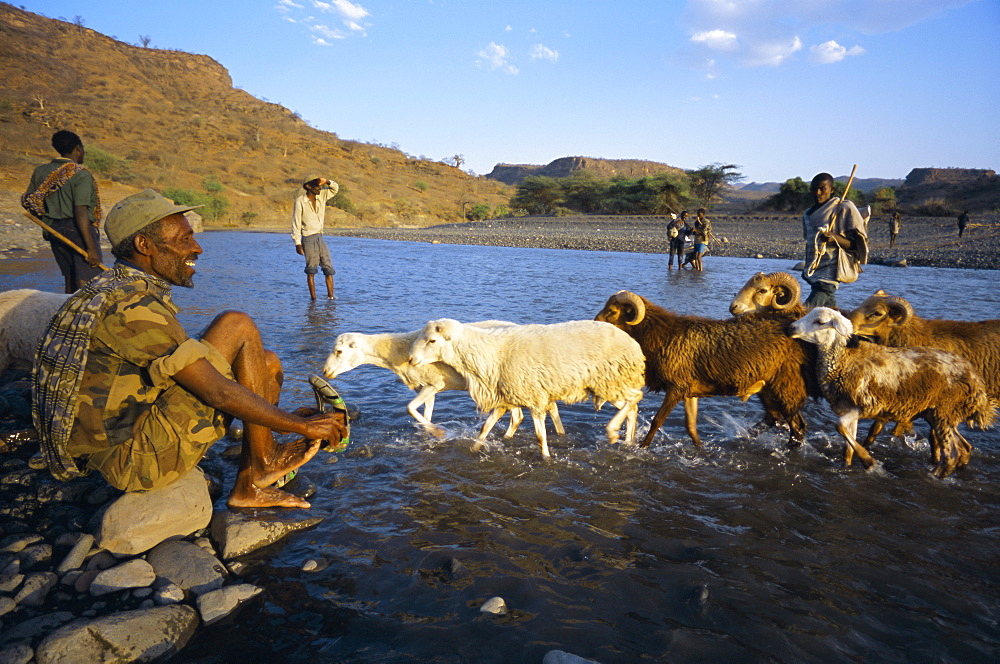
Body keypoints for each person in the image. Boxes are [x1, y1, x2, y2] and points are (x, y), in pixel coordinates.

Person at [33, 189, 348, 509]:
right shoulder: (131, 305)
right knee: (236, 324)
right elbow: (218, 394)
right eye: (183, 239)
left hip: (127, 433)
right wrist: (301, 425)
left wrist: (274, 418)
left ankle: (252, 477)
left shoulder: (118, 287)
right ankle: (261, 467)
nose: (196, 248)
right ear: (144, 245)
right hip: (133, 461)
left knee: (264, 363)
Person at [23, 130, 104, 293]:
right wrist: (91, 248)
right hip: (79, 231)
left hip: (53, 230)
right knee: (88, 281)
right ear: (78, 149)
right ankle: (84, 317)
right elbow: (80, 210)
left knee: (70, 278)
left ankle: (67, 316)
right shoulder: (81, 174)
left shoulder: (40, 171)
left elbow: (30, 201)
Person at [801, 172, 868, 309]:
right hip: (814, 267)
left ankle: (794, 323)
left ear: (832, 190)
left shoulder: (843, 209)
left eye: (822, 189)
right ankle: (842, 327)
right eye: (814, 189)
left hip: (832, 269)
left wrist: (835, 238)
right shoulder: (807, 214)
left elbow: (855, 244)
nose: (817, 193)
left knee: (807, 310)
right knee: (830, 308)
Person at [292, 175, 339, 300]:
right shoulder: (300, 201)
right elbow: (296, 223)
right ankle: (313, 300)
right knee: (311, 270)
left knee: (328, 268)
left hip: (320, 237)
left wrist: (327, 181)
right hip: (307, 238)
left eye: (320, 186)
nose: (319, 188)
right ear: (308, 186)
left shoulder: (322, 196)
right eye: (316, 186)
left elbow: (335, 189)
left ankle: (331, 297)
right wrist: (297, 243)